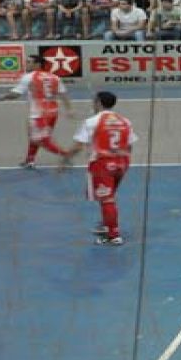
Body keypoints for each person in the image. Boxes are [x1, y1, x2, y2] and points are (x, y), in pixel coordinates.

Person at [60, 91, 135, 246]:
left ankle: (113, 234)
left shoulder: (92, 122)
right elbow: (130, 144)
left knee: (107, 199)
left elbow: (78, 145)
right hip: (122, 162)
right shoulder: (125, 121)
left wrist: (65, 159)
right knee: (108, 196)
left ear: (99, 103)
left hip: (102, 164)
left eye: (94, 101)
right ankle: (107, 223)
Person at [0, 55, 72, 170]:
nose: (26, 64)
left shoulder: (29, 77)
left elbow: (16, 94)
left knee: (41, 139)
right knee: (35, 137)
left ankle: (66, 155)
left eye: (29, 62)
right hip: (52, 113)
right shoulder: (54, 77)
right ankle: (30, 160)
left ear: (37, 64)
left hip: (39, 113)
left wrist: (3, 96)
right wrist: (69, 109)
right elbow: (63, 94)